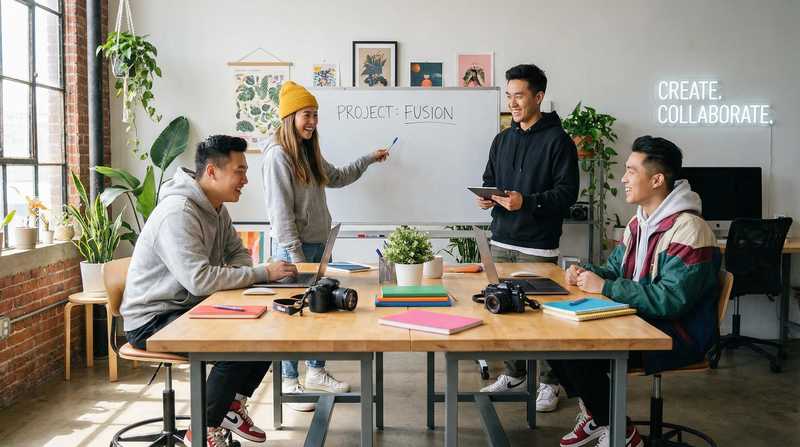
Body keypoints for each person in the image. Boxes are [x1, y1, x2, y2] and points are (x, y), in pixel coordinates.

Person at [121, 135, 298, 446]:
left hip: (187, 307)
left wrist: (245, 273)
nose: (245, 180)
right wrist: (260, 273)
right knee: (233, 344)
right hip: (153, 319)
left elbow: (238, 254)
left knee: (268, 329)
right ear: (213, 172)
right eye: (239, 171)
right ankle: (202, 431)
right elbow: (199, 280)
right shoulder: (178, 213)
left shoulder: (216, 207)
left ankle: (231, 406)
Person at [553, 136, 721, 447]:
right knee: (555, 344)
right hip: (639, 321)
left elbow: (671, 301)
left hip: (676, 334)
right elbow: (615, 269)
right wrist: (586, 273)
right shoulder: (638, 223)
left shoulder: (690, 230)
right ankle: (601, 416)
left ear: (657, 179)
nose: (623, 178)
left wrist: (606, 287)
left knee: (578, 352)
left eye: (631, 171)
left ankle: (620, 432)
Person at [263, 81, 389, 411]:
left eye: (316, 115)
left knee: (318, 311)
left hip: (319, 244)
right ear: (290, 116)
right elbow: (280, 214)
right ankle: (290, 383)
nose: (313, 121)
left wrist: (369, 159)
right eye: (307, 114)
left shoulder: (308, 152)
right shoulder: (278, 156)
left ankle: (316, 372)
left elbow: (338, 177)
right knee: (292, 316)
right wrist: (298, 257)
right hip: (294, 249)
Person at [477, 64, 579, 413]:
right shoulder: (502, 138)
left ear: (538, 97)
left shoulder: (559, 141)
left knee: (543, 316)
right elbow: (490, 176)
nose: (513, 102)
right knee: (504, 312)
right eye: (509, 96)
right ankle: (515, 374)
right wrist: (486, 195)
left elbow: (567, 194)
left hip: (538, 244)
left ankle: (551, 383)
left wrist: (528, 202)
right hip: (501, 239)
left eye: (519, 95)